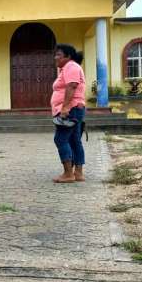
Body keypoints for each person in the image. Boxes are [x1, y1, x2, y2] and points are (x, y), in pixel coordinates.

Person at [51, 44, 86, 183]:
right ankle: (78, 173)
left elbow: (71, 86)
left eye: (59, 54)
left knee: (60, 139)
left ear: (68, 56)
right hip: (75, 108)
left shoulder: (71, 66)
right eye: (56, 54)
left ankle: (68, 174)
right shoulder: (68, 68)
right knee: (74, 140)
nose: (56, 57)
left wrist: (64, 108)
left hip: (71, 109)